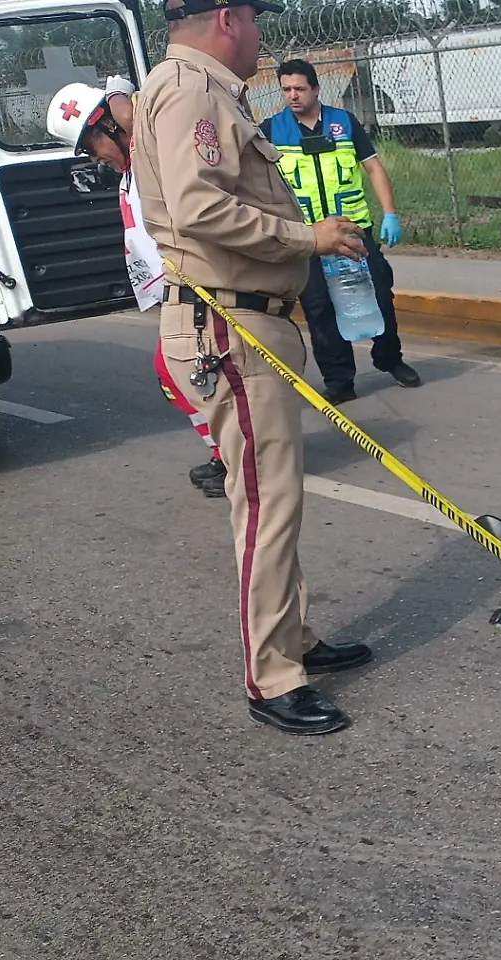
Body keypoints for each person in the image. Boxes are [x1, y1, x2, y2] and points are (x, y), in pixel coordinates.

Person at [132, 0, 375, 735]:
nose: (264, 37)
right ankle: (272, 677)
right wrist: (307, 237)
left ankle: (293, 636)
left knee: (273, 500)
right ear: (230, 17)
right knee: (266, 507)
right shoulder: (193, 91)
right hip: (228, 325)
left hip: (240, 318)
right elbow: (202, 207)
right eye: (259, 20)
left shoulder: (190, 88)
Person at [46, 76, 228, 499]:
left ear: (111, 126)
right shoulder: (129, 171)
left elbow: (126, 90)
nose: (95, 159)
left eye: (92, 147)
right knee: (179, 375)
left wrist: (117, 98)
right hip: (176, 291)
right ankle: (226, 453)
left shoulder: (153, 157)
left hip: (198, 286)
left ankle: (236, 455)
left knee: (189, 374)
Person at [262, 57, 420, 406]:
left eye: (300, 88)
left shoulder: (343, 123)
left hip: (353, 231)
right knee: (319, 308)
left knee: (380, 295)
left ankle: (390, 359)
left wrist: (390, 214)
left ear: (316, 89)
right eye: (286, 89)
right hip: (310, 239)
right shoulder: (272, 131)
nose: (292, 96)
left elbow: (374, 169)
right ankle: (339, 381)